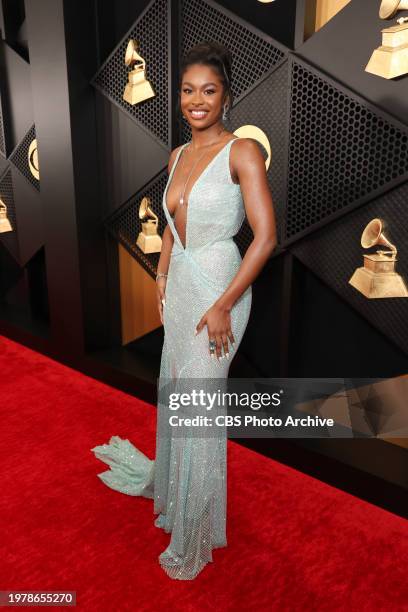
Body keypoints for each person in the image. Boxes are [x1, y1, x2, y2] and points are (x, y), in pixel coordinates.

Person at [91, 41, 277, 580]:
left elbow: (265, 239)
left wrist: (223, 304)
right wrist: (162, 273)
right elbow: (171, 223)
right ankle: (174, 496)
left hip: (222, 286)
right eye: (189, 91)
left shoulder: (243, 151)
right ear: (180, 96)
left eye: (209, 91)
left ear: (227, 96)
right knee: (176, 390)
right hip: (181, 291)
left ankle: (196, 530)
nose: (197, 101)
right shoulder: (176, 156)